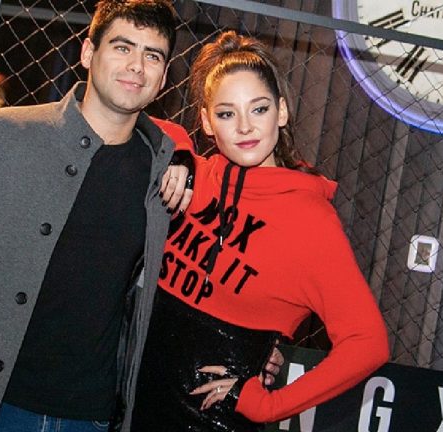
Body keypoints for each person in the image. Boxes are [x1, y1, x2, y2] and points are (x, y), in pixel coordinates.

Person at [0, 2, 198, 431]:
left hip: (92, 415)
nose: (137, 66)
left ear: (164, 77)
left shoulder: (163, 171)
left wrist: (262, 349)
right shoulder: (2, 135)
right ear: (88, 53)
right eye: (123, 47)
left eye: (152, 55)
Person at [126, 31, 390, 431]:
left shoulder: (310, 221)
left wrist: (268, 406)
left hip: (212, 421)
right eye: (227, 114)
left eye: (259, 109)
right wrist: (177, 148)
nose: (245, 127)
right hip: (132, 407)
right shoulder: (195, 177)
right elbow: (130, 117)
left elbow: (368, 342)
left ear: (281, 112)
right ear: (207, 122)